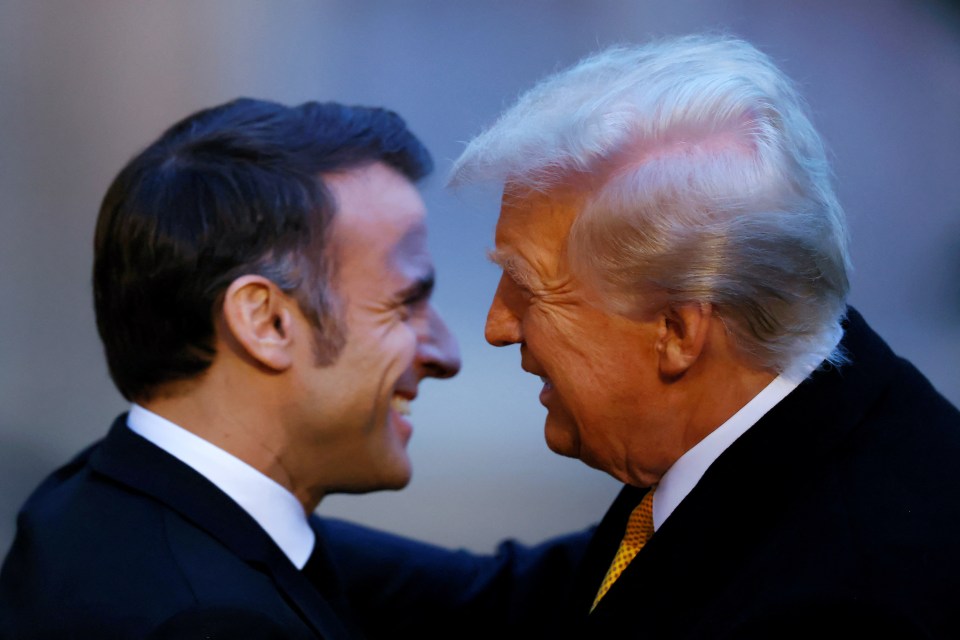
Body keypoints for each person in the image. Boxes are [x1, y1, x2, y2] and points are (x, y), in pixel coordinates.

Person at [325, 34, 960, 638]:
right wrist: (247, 510)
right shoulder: (800, 413)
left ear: (677, 330)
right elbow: (527, 604)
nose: (496, 326)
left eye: (528, 286)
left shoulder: (839, 604)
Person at [0, 98, 464, 638]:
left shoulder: (105, 501)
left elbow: (509, 592)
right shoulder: (210, 619)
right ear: (267, 322)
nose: (445, 355)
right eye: (404, 303)